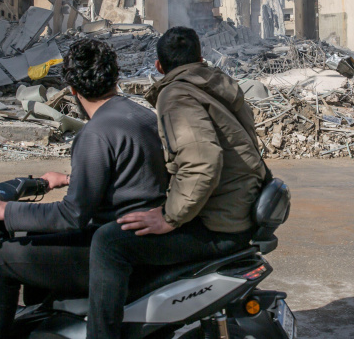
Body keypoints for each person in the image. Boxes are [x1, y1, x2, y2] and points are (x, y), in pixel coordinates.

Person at [0, 39, 168, 339]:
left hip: (112, 248)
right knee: (35, 235)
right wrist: (70, 179)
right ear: (115, 78)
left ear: (72, 90)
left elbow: (73, 215)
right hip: (141, 240)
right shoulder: (144, 116)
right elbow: (130, 173)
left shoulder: (95, 133)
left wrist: (3, 209)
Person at [87, 27, 266, 338]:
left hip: (220, 224)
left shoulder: (177, 94)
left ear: (158, 66)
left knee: (108, 242)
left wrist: (171, 217)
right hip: (240, 207)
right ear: (199, 58)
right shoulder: (216, 84)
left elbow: (201, 161)